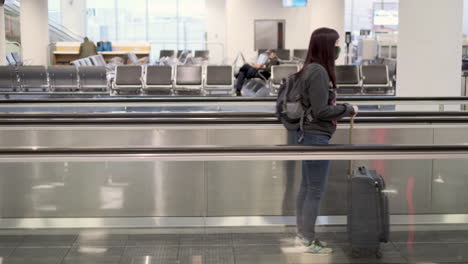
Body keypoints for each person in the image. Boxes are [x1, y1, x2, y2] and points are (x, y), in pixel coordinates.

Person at [293, 28, 359, 254]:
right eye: (336, 44)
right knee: (314, 190)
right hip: (316, 136)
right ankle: (307, 240)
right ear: (327, 46)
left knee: (306, 187)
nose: (339, 48)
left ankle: (302, 236)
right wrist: (347, 109)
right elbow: (321, 111)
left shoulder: (309, 69)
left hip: (307, 134)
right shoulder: (319, 71)